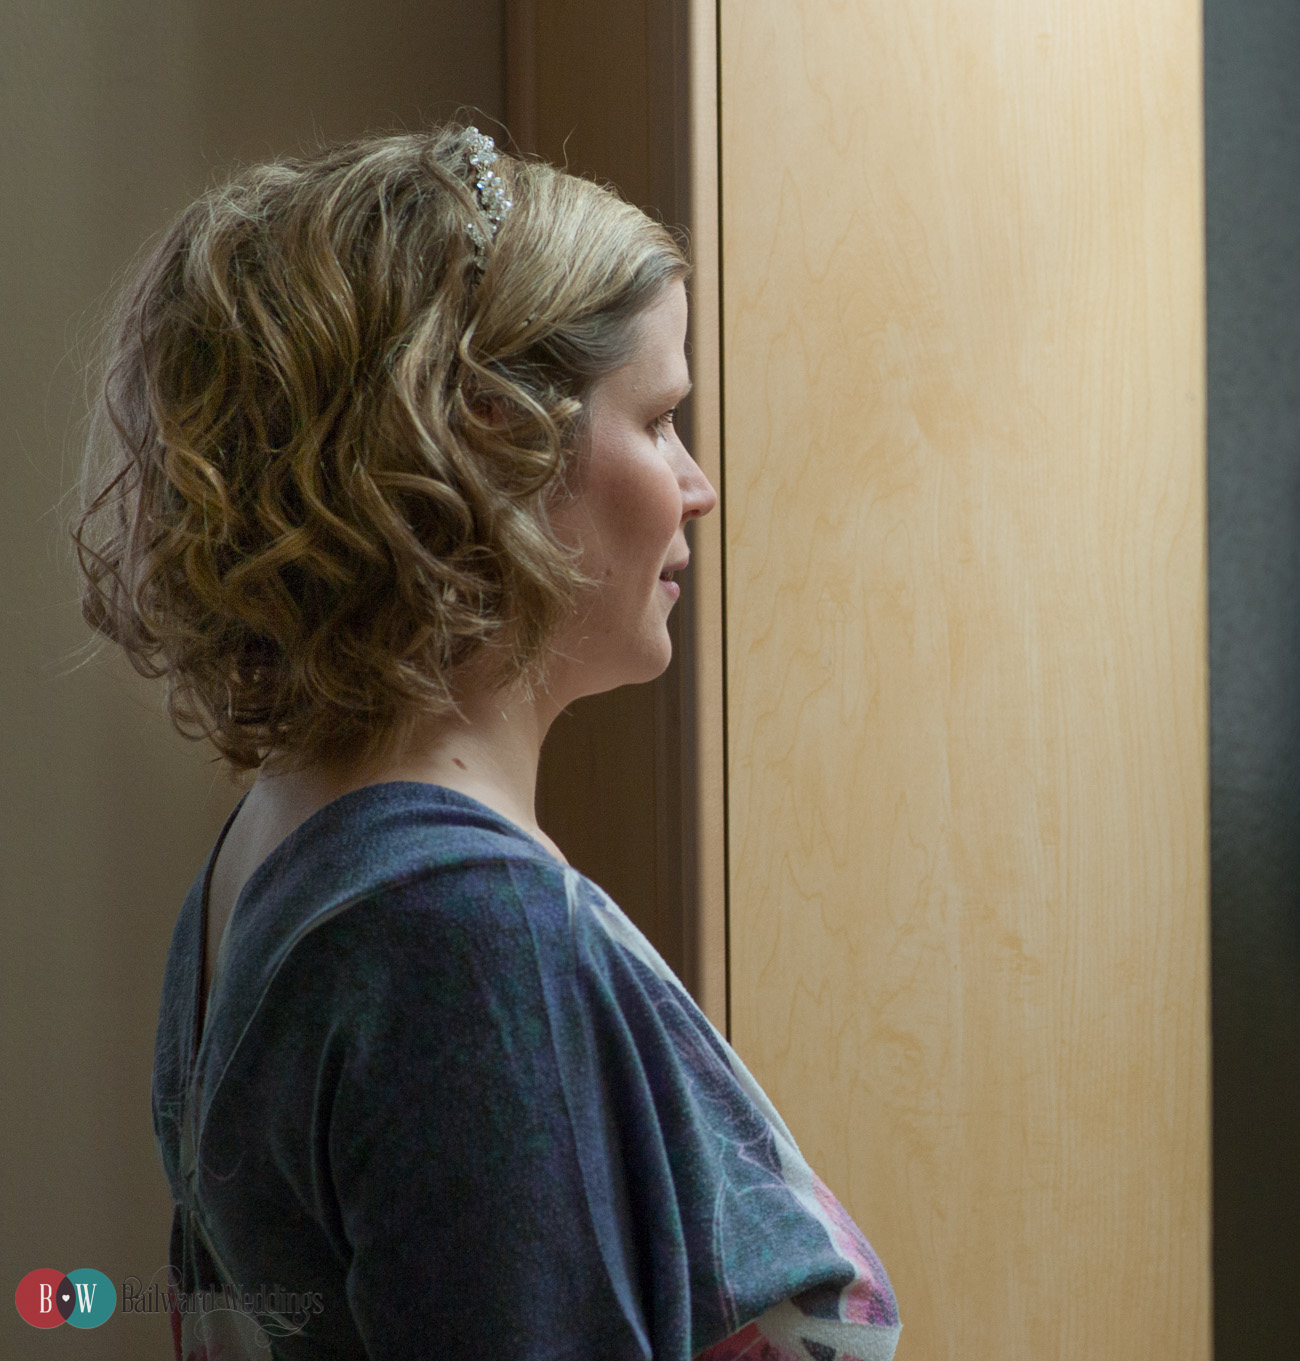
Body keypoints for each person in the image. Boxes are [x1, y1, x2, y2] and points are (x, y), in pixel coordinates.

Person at [72, 125, 900, 1361]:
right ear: (491, 444)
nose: (698, 485)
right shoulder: (461, 930)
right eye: (661, 418)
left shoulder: (280, 835)